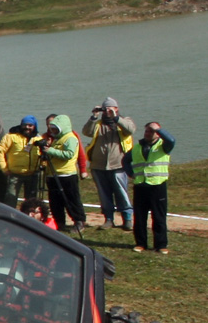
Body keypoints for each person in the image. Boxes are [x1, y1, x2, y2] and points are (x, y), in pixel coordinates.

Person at [83, 98, 135, 229]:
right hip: (98, 166)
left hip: (119, 165)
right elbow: (86, 132)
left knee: (121, 193)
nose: (107, 112)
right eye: (105, 109)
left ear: (116, 109)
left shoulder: (124, 121)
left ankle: (127, 218)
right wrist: (94, 117)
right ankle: (109, 219)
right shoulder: (98, 124)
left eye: (110, 109)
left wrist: (115, 118)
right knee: (104, 194)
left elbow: (130, 130)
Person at [128, 119, 176, 254]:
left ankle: (161, 245)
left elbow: (171, 140)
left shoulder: (164, 146)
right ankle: (140, 243)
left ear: (158, 134)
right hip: (140, 185)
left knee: (159, 217)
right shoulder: (138, 147)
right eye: (147, 131)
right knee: (140, 217)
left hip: (157, 185)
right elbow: (125, 160)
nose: (148, 133)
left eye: (152, 131)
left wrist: (158, 129)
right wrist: (131, 173)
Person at [41, 114, 85, 232]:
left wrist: (50, 150)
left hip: (67, 175)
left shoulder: (70, 138)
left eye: (55, 128)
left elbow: (69, 154)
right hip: (53, 174)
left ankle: (79, 221)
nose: (53, 131)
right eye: (52, 128)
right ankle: (59, 223)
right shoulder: (56, 139)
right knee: (55, 202)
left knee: (71, 200)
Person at [0, 115, 44, 214]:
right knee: (10, 199)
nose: (27, 127)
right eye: (25, 125)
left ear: (34, 126)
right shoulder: (11, 136)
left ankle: (28, 217)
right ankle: (8, 217)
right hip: (14, 174)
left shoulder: (38, 138)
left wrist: (43, 165)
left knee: (31, 202)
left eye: (30, 125)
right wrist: (4, 168)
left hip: (32, 174)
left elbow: (43, 154)